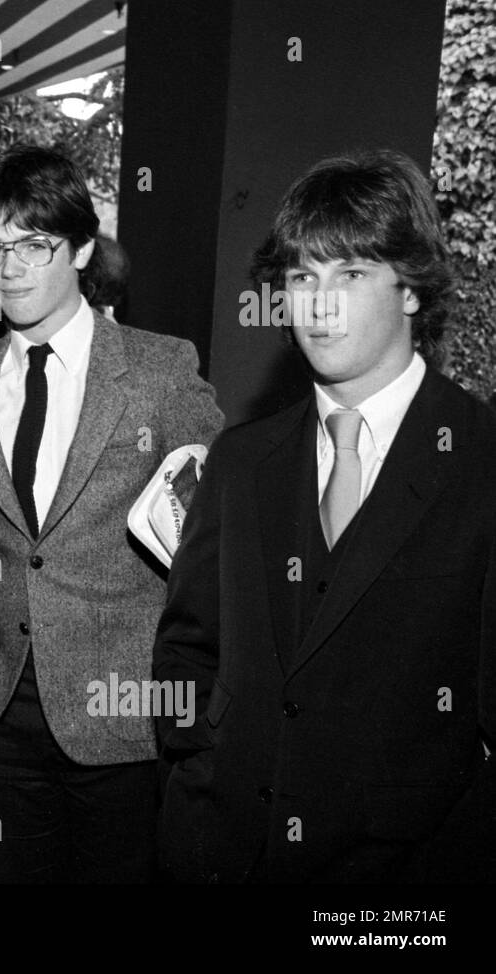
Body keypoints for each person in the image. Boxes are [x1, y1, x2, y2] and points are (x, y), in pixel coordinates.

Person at [154, 149, 496, 883]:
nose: (319, 303)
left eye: (352, 273)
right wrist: (200, 749)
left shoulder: (480, 462)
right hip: (221, 850)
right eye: (303, 277)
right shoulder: (243, 460)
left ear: (412, 288)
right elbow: (186, 646)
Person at [0, 144, 224, 883]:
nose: (10, 269)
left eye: (35, 245)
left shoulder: (159, 371)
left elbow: (211, 536)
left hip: (119, 711)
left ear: (83, 248)